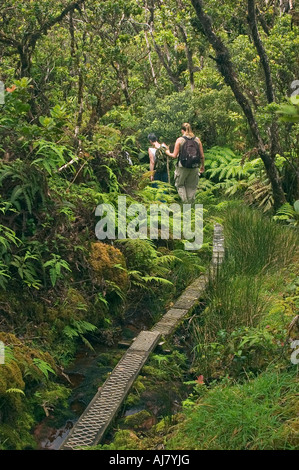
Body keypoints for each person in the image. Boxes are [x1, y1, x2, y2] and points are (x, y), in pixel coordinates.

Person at [165, 123, 205, 203]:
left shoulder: (180, 140)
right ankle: (190, 205)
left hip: (182, 166)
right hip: (195, 166)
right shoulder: (197, 140)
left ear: (182, 130)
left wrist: (167, 152)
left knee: (180, 185)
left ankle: (185, 203)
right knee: (192, 186)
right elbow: (202, 156)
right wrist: (202, 166)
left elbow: (174, 155)